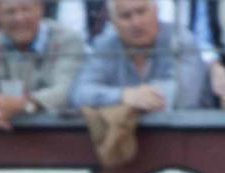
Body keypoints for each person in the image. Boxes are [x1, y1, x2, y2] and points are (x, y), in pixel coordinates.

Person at [0, 0, 85, 130]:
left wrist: (24, 105)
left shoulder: (67, 40)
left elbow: (66, 92)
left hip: (53, 133)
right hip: (1, 130)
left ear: (40, 9)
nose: (19, 18)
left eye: (25, 10)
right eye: (10, 12)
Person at [69, 0, 213, 112]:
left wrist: (132, 100)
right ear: (113, 22)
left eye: (141, 12)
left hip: (184, 136)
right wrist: (124, 95)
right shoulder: (105, 44)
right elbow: (79, 94)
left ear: (156, 11)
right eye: (126, 16)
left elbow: (185, 97)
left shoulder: (180, 39)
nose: (136, 23)